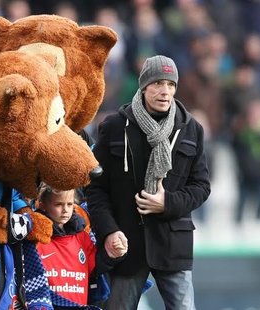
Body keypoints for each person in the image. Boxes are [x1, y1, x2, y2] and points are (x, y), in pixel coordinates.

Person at [86, 55, 211, 309]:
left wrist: (167, 203)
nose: (165, 92)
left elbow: (201, 187)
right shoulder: (114, 126)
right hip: (127, 244)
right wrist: (109, 230)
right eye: (157, 84)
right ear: (143, 86)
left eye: (170, 84)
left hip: (172, 245)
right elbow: (95, 187)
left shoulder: (191, 129)